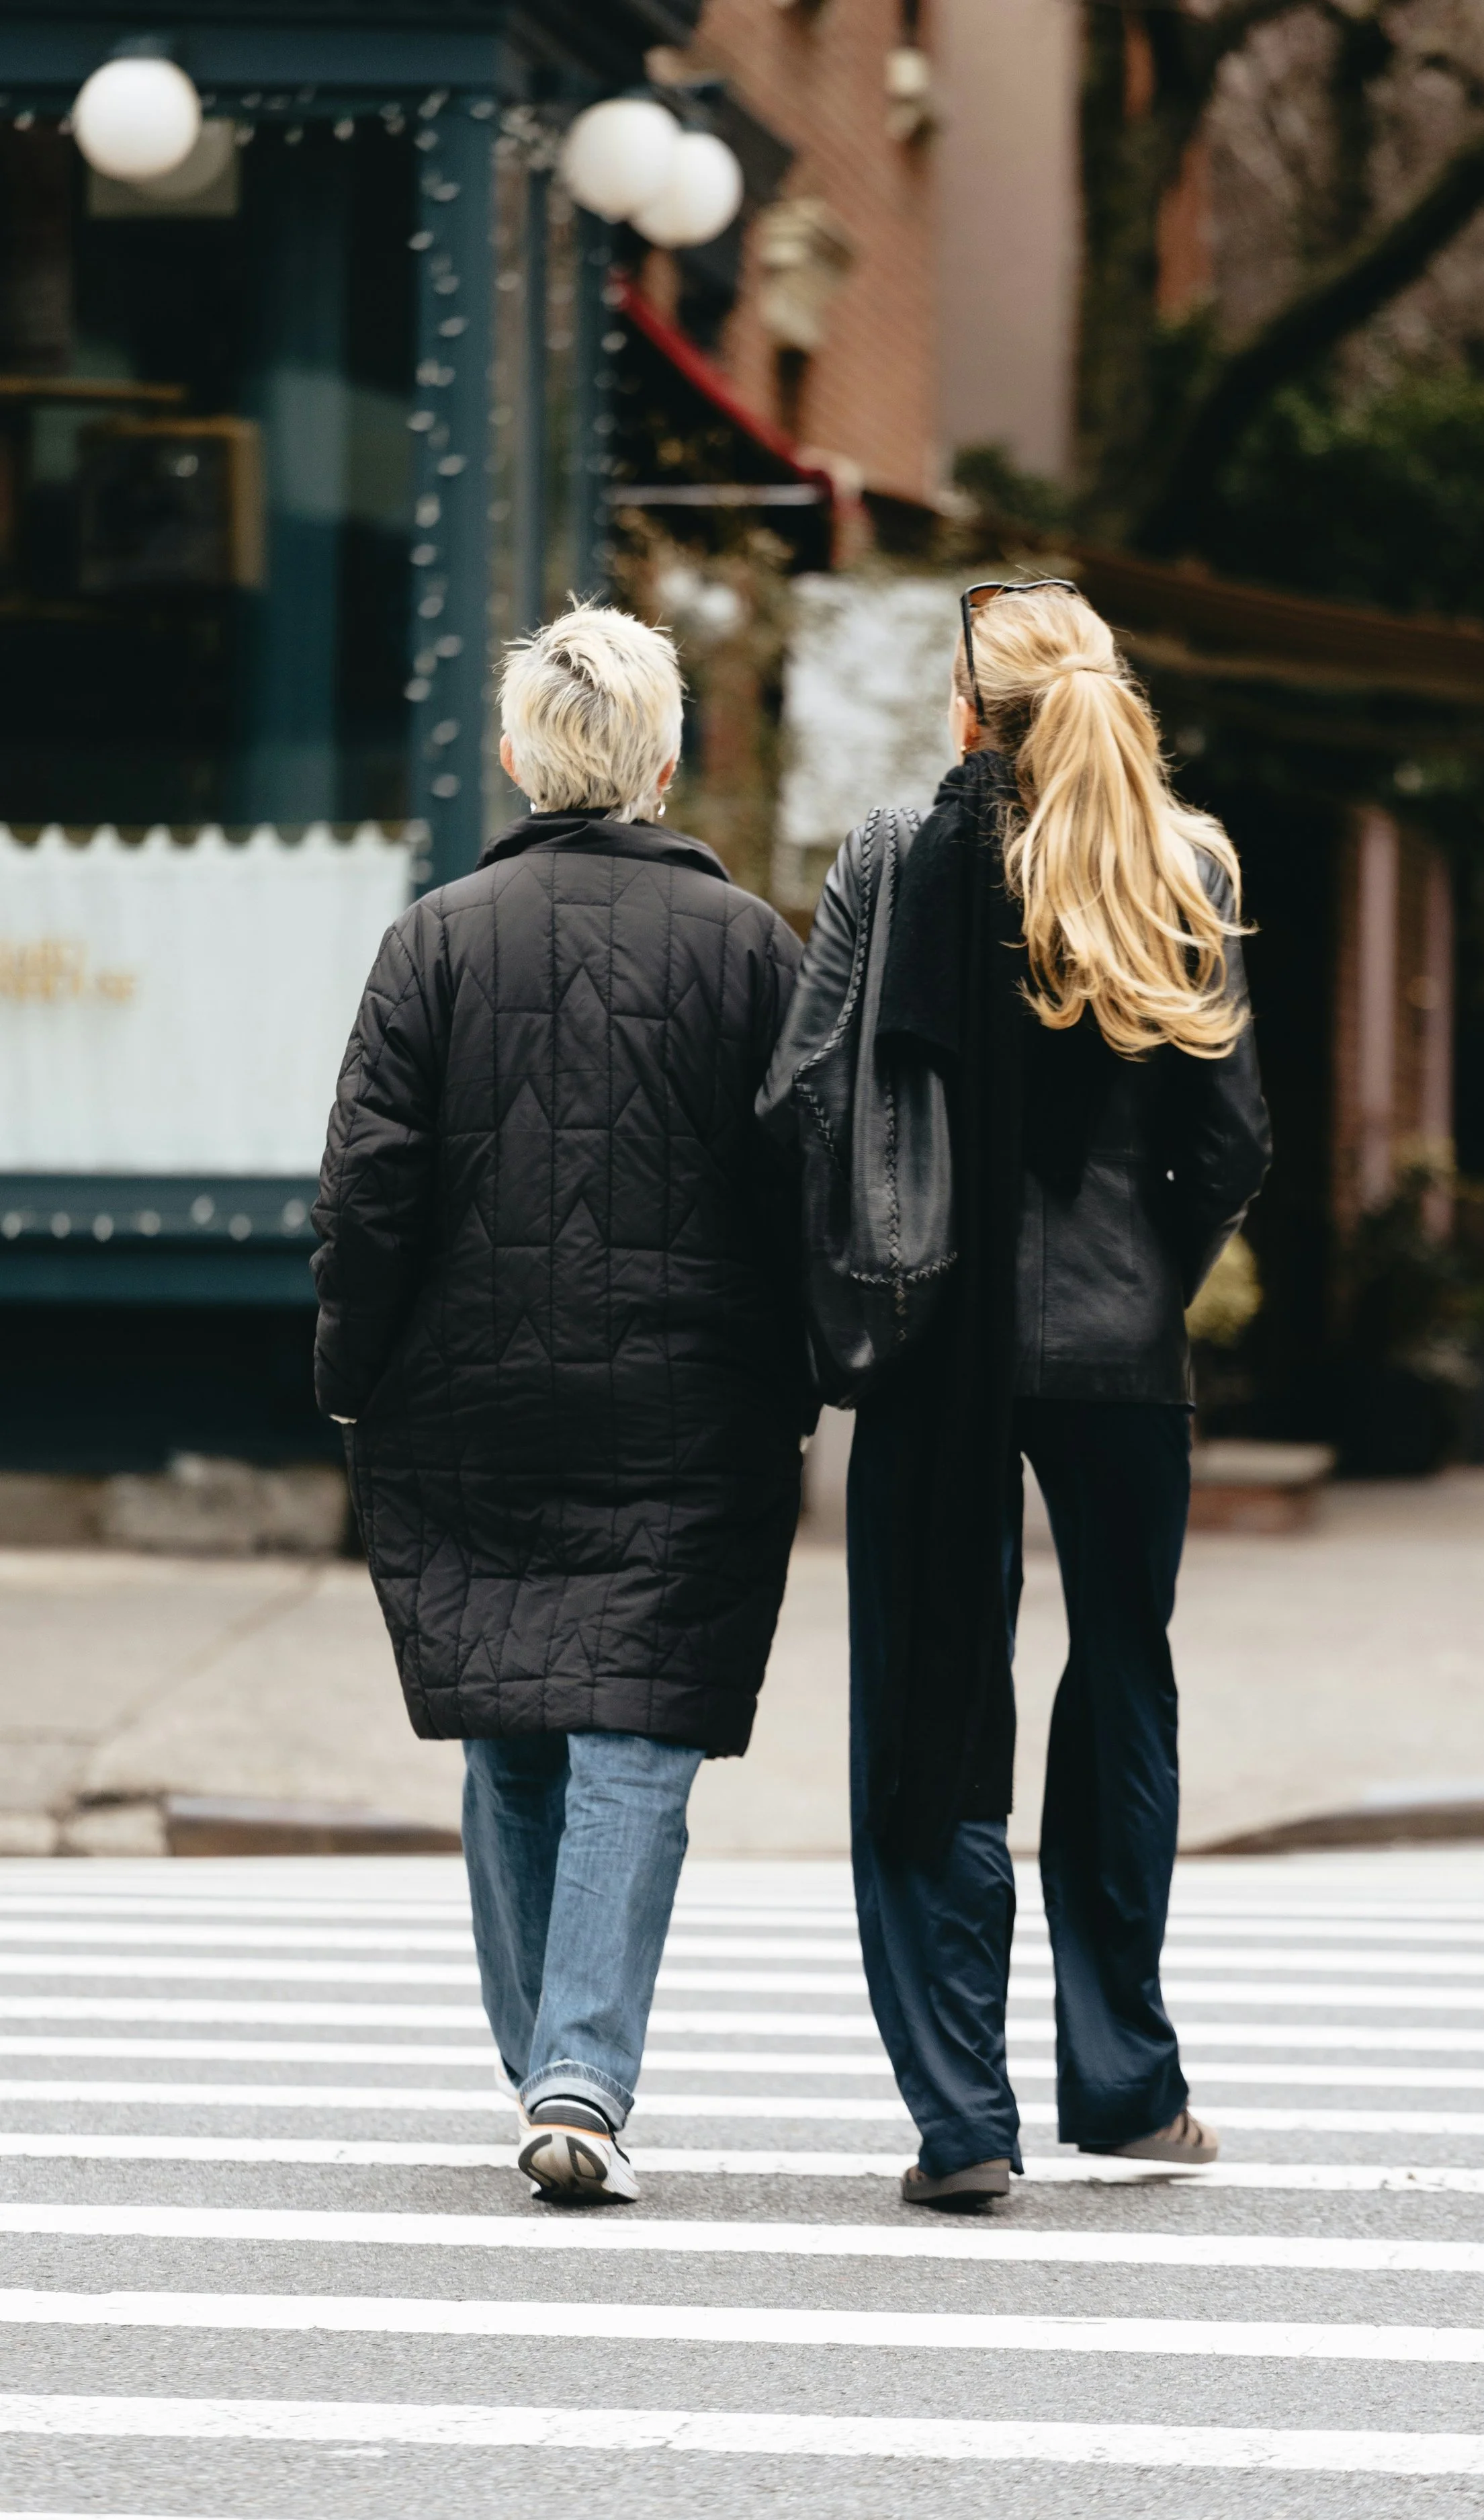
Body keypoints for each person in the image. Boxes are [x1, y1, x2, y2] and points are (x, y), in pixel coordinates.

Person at [760, 581, 1270, 2210]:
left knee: (929, 1688)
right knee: (1121, 1683)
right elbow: (1230, 1142)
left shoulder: (891, 856)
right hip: (1124, 1351)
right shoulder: (1183, 865)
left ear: (967, 712)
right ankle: (1124, 2085)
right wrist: (1147, 1279)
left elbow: (804, 1093)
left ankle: (962, 2118)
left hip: (933, 1341)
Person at [312, 603, 808, 2204]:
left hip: (467, 1398)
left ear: (521, 759)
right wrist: (801, 1379)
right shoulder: (749, 948)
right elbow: (799, 1192)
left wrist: (348, 1376)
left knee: (511, 1722)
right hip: (688, 1403)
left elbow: (367, 1190)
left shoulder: (435, 941)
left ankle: (552, 2060)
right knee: (635, 1734)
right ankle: (575, 2074)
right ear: (664, 765)